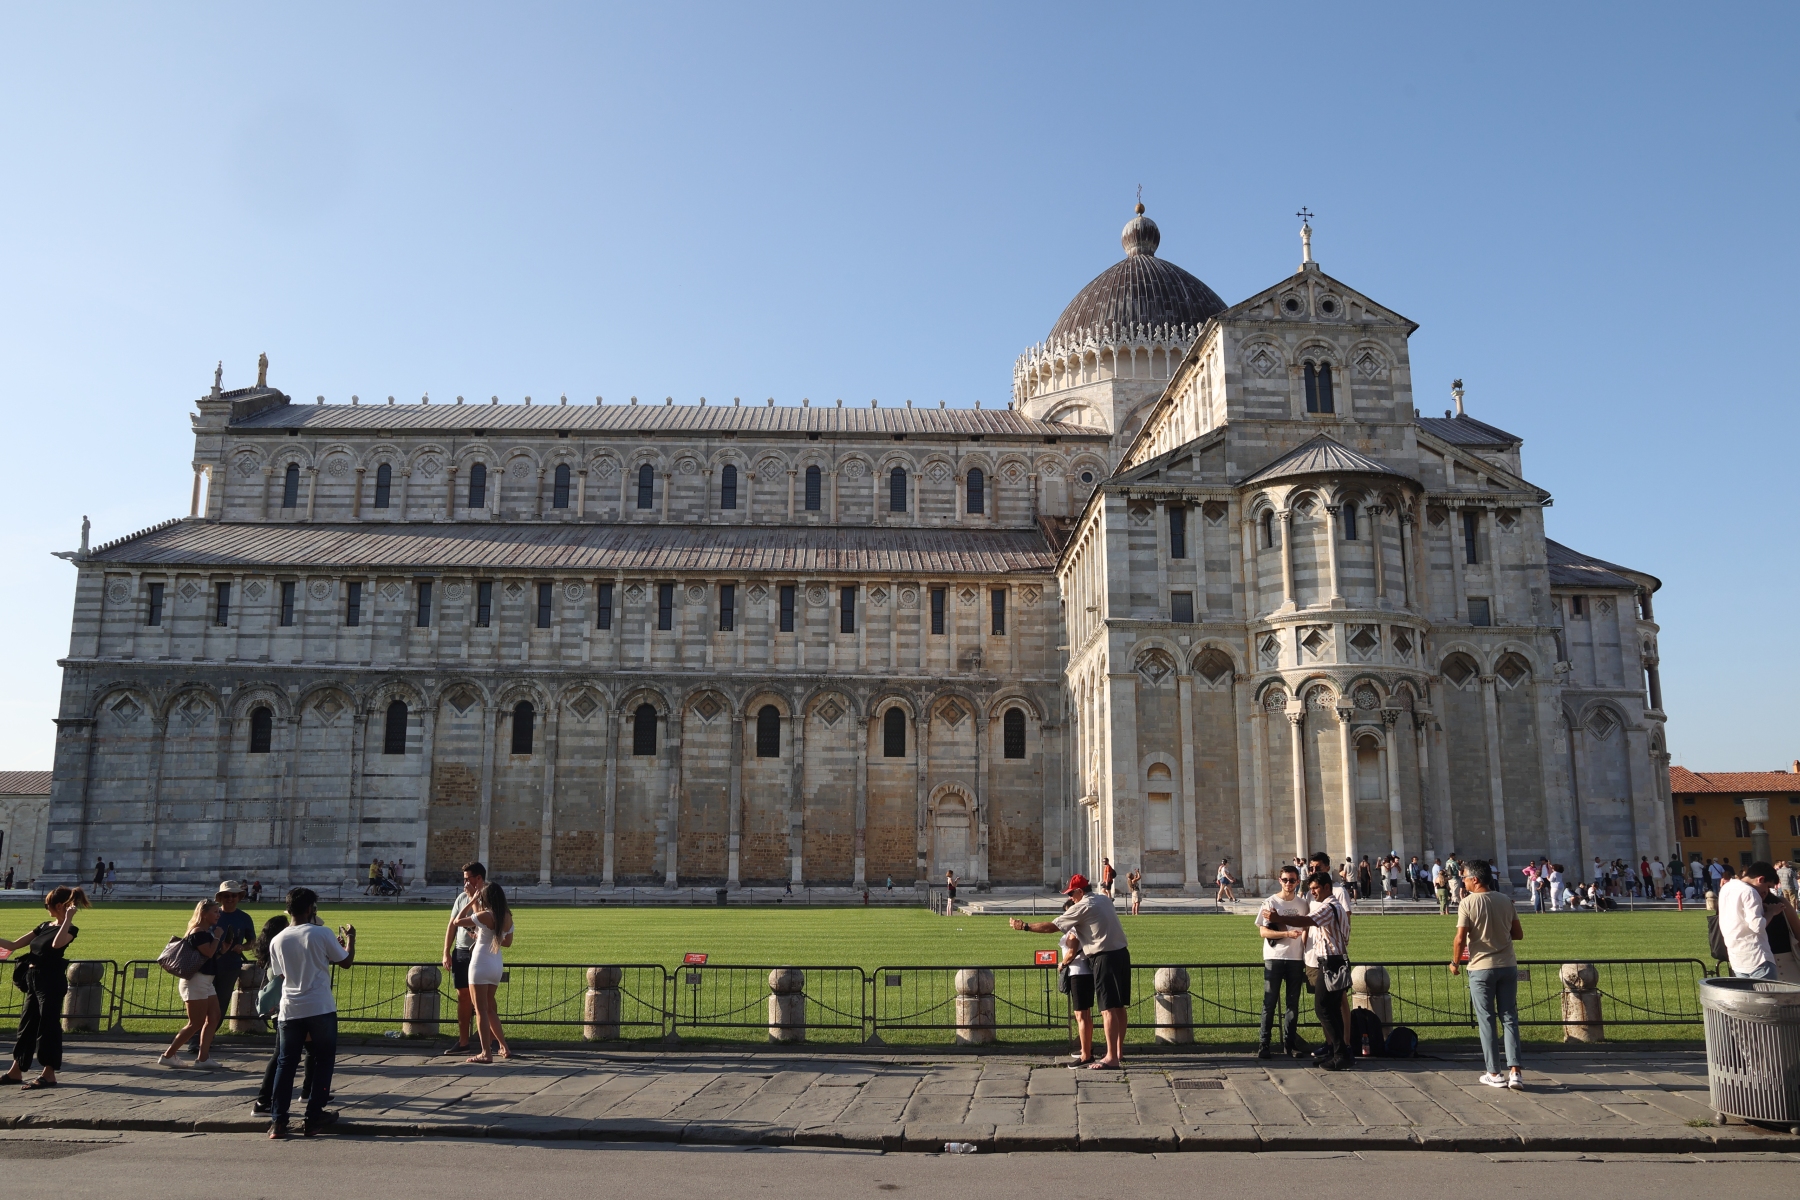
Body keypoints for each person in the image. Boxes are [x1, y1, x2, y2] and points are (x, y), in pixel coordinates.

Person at [1010, 873, 1129, 1069]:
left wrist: (1025, 926)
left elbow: (1053, 926)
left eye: (1071, 894)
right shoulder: (1103, 899)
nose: (1070, 898)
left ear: (1080, 892)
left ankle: (1111, 1058)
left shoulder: (1082, 906)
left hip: (1104, 956)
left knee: (1107, 1008)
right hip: (1122, 953)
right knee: (1118, 1007)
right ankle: (1118, 1052)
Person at [267, 888, 354, 1138]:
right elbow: (346, 962)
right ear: (310, 909)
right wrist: (351, 940)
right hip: (319, 1006)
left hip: (290, 1008)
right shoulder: (321, 933)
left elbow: (281, 974)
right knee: (324, 1060)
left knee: (286, 1063)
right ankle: (313, 1116)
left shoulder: (278, 939)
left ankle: (278, 1121)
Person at [0, 886, 90, 1089]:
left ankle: (49, 1074)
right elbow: (14, 945)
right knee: (26, 1025)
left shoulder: (70, 929)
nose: (46, 908)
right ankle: (16, 1071)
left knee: (47, 1026)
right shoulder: (43, 926)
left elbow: (57, 945)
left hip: (50, 980)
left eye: (47, 905)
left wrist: (67, 919)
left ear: (59, 906)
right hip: (33, 978)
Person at [1267, 871, 1353, 1070]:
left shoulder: (1328, 907)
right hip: (1338, 960)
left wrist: (1277, 917)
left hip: (1330, 962)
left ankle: (1340, 1053)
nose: (1312, 892)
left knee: (1323, 1008)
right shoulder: (1337, 908)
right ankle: (1339, 1052)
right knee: (1331, 1009)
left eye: (1315, 888)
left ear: (1327, 887)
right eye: (1311, 888)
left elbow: (1306, 920)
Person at [1451, 859, 1525, 1090]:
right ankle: (1516, 1072)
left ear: (1475, 878)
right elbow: (1518, 934)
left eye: (1464, 877)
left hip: (1481, 967)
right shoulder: (1505, 900)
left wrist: (1455, 962)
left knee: (1487, 1020)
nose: (1463, 881)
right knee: (1510, 1017)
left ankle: (1494, 1072)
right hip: (1507, 964)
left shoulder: (1468, 903)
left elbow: (1460, 938)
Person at [251, 913, 324, 1117]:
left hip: (289, 1011)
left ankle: (308, 1092)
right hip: (288, 1011)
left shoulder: (277, 951)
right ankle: (263, 1101)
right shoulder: (280, 955)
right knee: (283, 1056)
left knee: (309, 1050)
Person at [159, 900, 226, 1070]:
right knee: (195, 1023)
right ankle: (168, 1055)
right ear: (204, 914)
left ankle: (203, 1058)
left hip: (206, 980)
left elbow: (210, 956)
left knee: (214, 1016)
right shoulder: (198, 932)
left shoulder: (205, 932)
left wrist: (223, 947)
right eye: (215, 912)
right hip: (196, 980)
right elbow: (209, 952)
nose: (218, 915)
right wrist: (217, 936)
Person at [454, 882, 514, 1063]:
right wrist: (482, 935)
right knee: (489, 1009)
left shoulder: (485, 915)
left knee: (480, 1010)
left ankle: (486, 1052)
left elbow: (458, 920)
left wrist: (470, 900)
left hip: (480, 962)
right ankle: (503, 1045)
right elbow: (507, 942)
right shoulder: (507, 917)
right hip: (496, 962)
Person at [1255, 865, 1310, 1059]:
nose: (1289, 883)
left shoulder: (1303, 904)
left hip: (1295, 958)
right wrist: (1286, 933)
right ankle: (1264, 1044)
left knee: (1292, 1004)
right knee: (1269, 1003)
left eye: (1292, 880)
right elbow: (1263, 932)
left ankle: (1289, 1044)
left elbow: (1306, 931)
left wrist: (1304, 954)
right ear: (1280, 880)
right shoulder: (1270, 903)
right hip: (1274, 957)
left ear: (1297, 882)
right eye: (1285, 880)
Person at [1718, 863, 1792, 981]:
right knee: (1767, 998)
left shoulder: (1727, 887)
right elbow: (1757, 926)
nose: (1766, 892)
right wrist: (1771, 912)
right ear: (1760, 879)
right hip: (1758, 958)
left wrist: (1761, 908)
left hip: (1737, 958)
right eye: (1767, 887)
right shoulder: (1751, 892)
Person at [441, 861, 485, 1055]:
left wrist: (472, 898)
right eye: (464, 879)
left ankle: (489, 1040)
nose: (465, 883)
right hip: (461, 951)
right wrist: (446, 951)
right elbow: (452, 925)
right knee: (463, 996)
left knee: (484, 999)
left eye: (468, 879)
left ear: (479, 879)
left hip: (480, 951)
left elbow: (483, 919)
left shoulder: (488, 897)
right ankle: (463, 1041)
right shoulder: (460, 898)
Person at [208, 881, 254, 1032]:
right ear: (220, 898)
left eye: (233, 895)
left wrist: (243, 947)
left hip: (230, 966)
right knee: (203, 1002)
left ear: (239, 897)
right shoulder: (212, 915)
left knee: (221, 1003)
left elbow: (252, 941)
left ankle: (208, 1036)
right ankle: (198, 1038)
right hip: (207, 965)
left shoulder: (244, 918)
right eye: (226, 895)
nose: (230, 898)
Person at [1056, 900, 1095, 1065]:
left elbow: (1071, 952)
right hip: (1086, 973)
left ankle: (1085, 1054)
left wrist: (1062, 964)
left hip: (1078, 973)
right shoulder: (1083, 928)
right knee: (1085, 1014)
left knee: (1081, 1015)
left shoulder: (1074, 931)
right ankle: (1087, 1048)